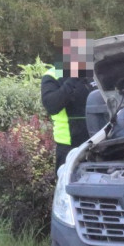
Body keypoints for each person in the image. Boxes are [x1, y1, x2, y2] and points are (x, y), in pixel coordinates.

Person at [41, 30, 96, 173]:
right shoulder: (52, 75)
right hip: (69, 147)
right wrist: (73, 78)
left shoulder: (94, 75)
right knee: (68, 192)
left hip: (97, 144)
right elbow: (52, 105)